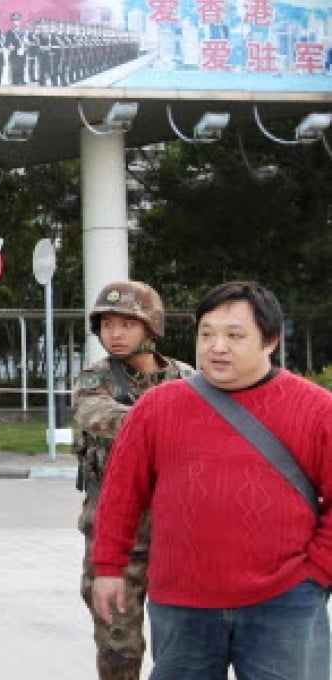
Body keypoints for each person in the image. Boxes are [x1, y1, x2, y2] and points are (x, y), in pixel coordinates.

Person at [92, 281, 332, 679]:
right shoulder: (158, 407)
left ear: (270, 340)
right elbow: (121, 495)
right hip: (182, 604)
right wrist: (108, 568)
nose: (217, 347)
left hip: (285, 602)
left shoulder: (317, 409)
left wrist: (317, 572)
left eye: (234, 336)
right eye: (207, 334)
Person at [74, 281, 193, 679]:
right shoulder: (96, 379)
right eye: (107, 324)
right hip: (116, 536)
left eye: (127, 323)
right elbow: (97, 416)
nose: (116, 333)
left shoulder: (188, 378)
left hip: (179, 532)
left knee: (183, 644)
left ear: (150, 328)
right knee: (118, 647)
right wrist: (163, 419)